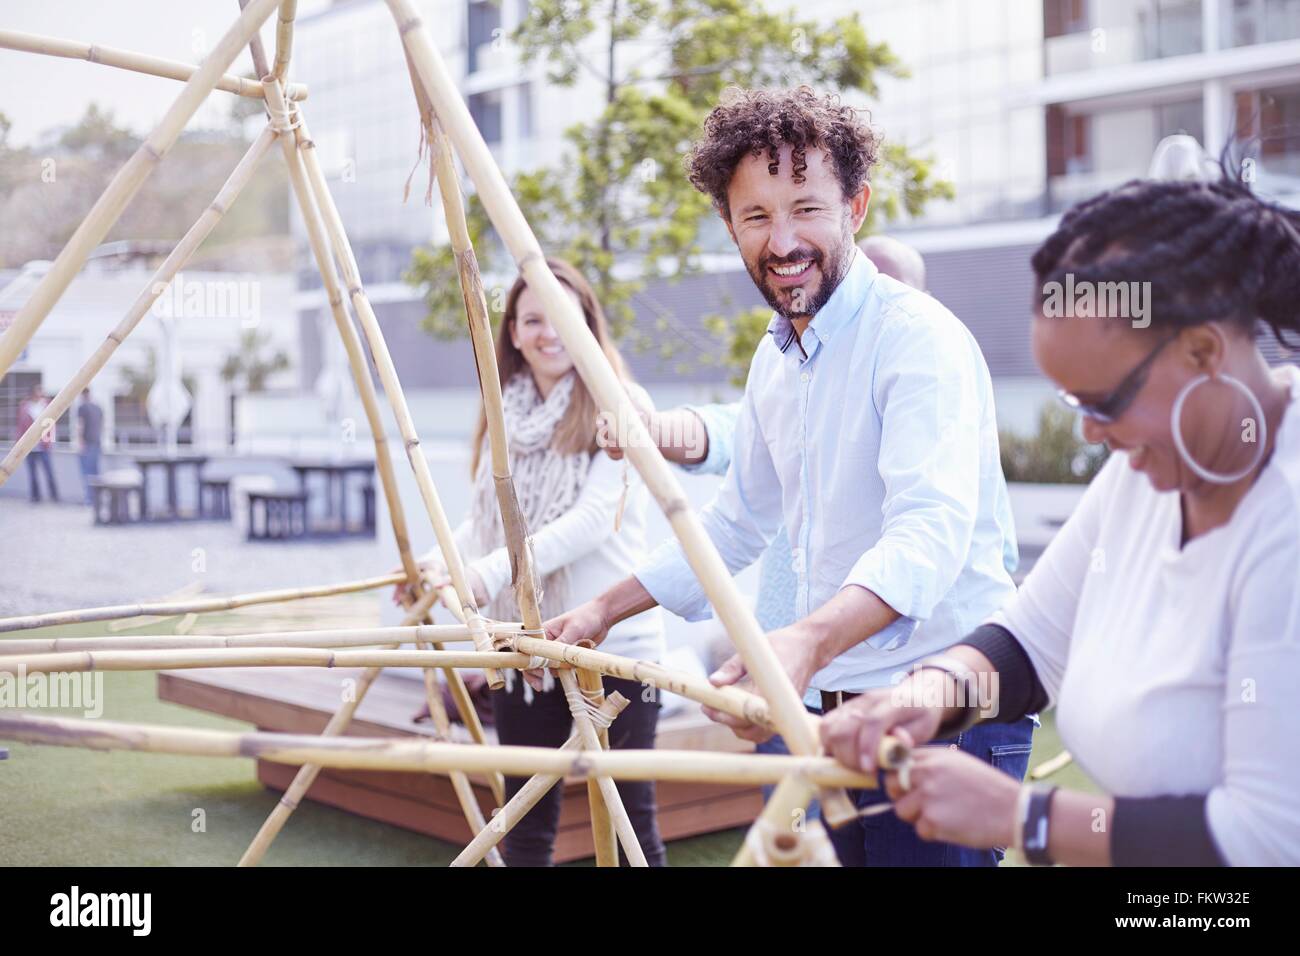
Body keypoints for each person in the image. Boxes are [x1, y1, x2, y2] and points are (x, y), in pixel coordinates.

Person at [540, 86, 1034, 866]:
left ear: (856, 207)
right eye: (757, 217)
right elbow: (736, 522)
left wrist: (798, 644)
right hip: (818, 714)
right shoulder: (774, 359)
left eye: (806, 208)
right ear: (731, 227)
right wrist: (603, 606)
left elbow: (928, 533)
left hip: (940, 713)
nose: (783, 241)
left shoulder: (917, 340)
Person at [819, 167, 1300, 866]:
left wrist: (1024, 816)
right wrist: (928, 694)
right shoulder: (1151, 471)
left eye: (1103, 402)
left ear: (1203, 352)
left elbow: (1270, 836)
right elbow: (1032, 645)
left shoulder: (1284, 517)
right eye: (1076, 403)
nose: (1089, 433)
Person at [605, 235, 939, 817]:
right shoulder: (789, 368)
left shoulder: (925, 375)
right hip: (791, 689)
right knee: (793, 843)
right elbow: (730, 441)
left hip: (907, 697)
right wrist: (655, 429)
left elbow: (937, 539)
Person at [395, 258, 667, 867]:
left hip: (614, 647)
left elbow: (596, 518)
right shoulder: (503, 411)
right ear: (513, 332)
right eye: (533, 319)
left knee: (630, 832)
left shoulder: (623, 402)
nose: (549, 333)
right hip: (527, 648)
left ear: (589, 324)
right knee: (523, 823)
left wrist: (489, 573)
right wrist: (438, 565)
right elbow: (487, 520)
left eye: (563, 317)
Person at [16, 385, 59, 503]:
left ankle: (55, 496)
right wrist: (19, 444)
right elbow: (20, 426)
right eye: (38, 391)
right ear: (33, 393)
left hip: (44, 445)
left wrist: (50, 441)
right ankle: (35, 497)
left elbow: (52, 423)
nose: (40, 394)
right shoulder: (25, 407)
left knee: (49, 472)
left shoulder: (46, 405)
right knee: (32, 474)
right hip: (29, 447)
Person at [76, 389, 104, 505]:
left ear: (82, 395)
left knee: (87, 473)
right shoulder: (98, 408)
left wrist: (80, 443)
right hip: (97, 443)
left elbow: (80, 426)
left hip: (87, 444)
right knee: (95, 472)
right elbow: (102, 426)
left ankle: (89, 500)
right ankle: (98, 499)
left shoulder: (82, 408)